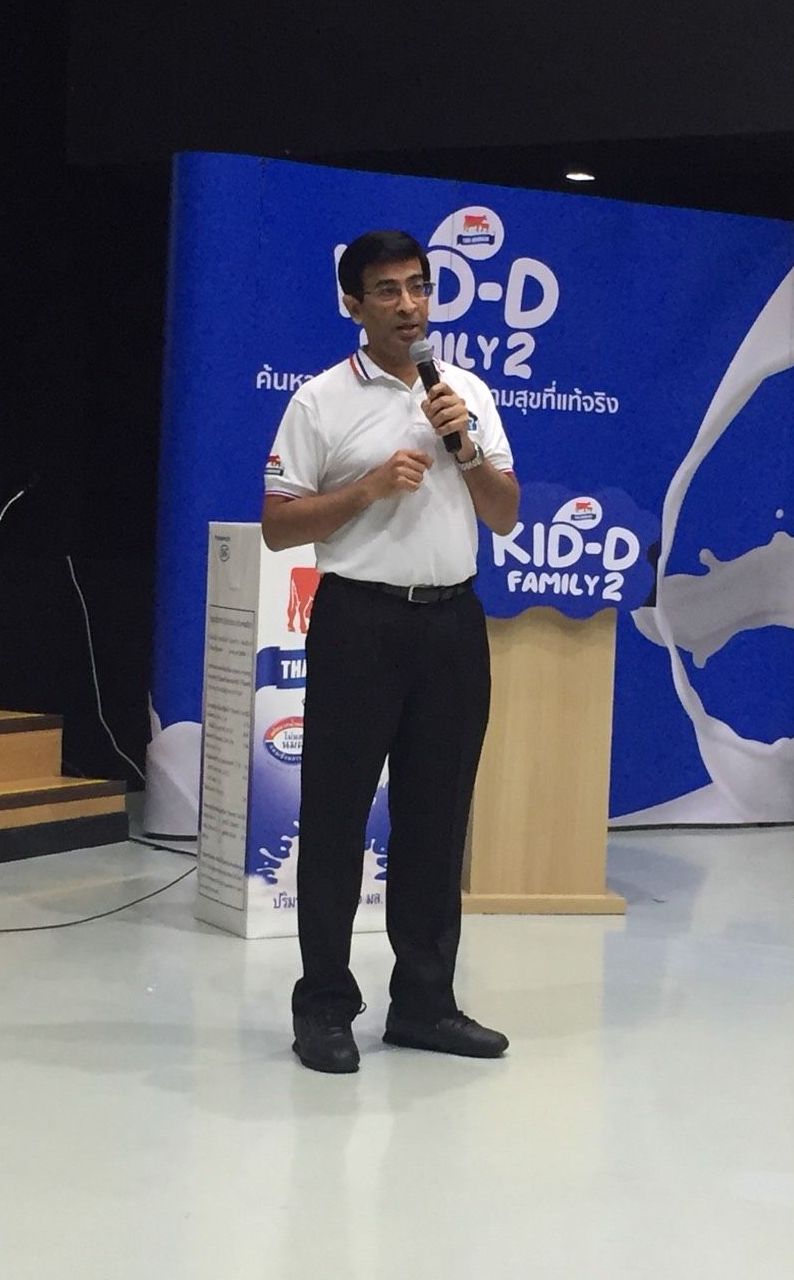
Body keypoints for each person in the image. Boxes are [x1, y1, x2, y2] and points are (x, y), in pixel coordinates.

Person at [261, 228, 520, 1074]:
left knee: (437, 821)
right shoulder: (320, 402)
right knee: (335, 818)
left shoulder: (466, 393)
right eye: (387, 291)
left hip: (452, 624)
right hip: (360, 623)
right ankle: (324, 1007)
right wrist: (367, 489)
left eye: (419, 286)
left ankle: (425, 1004)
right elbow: (277, 527)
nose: (409, 306)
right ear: (353, 303)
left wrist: (465, 449)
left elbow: (505, 513)